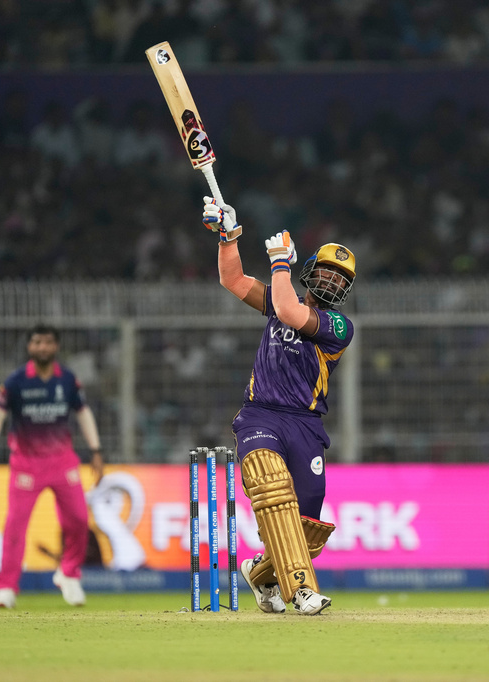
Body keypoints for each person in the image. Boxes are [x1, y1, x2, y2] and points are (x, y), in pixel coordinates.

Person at [202, 196, 356, 616]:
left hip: (305, 426)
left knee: (305, 530)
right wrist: (228, 238)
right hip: (261, 415)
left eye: (341, 278)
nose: (332, 281)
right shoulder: (279, 297)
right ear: (310, 270)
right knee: (273, 491)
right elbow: (232, 279)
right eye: (326, 270)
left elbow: (290, 311)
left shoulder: (339, 326)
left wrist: (279, 263)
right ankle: (302, 591)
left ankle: (260, 571)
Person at [0, 324, 104, 609]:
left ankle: (68, 574)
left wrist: (96, 451)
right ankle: (6, 588)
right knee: (15, 527)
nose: (42, 347)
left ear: (55, 347)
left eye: (47, 342)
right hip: (26, 466)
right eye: (37, 342)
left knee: (80, 521)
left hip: (63, 462)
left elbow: (84, 414)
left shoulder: (67, 379)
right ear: (29, 347)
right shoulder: (16, 381)